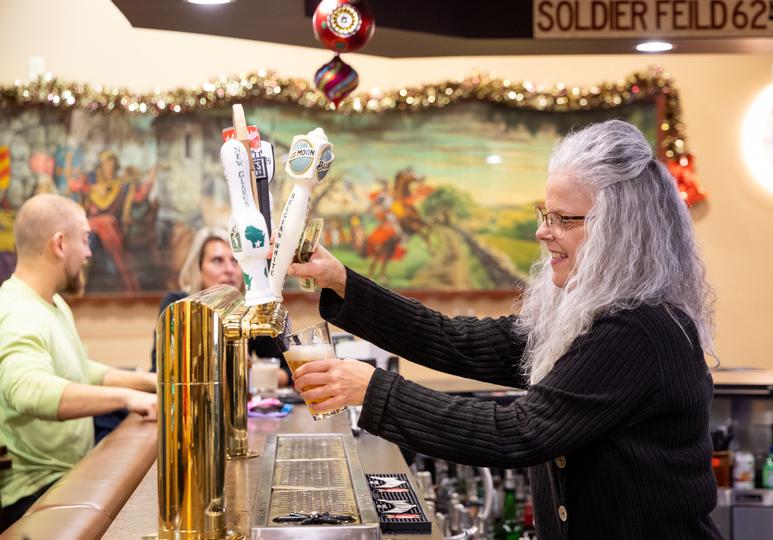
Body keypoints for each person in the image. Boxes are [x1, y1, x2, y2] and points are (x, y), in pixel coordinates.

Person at [287, 120, 722, 539]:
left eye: (563, 220)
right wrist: (340, 280)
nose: (541, 232)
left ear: (621, 229)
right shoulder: (584, 316)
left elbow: (520, 432)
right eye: (544, 214)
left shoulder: (638, 330)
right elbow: (454, 340)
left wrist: (373, 390)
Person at [0, 194, 157, 532]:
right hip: (33, 491)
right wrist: (127, 399)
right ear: (59, 244)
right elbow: (27, 390)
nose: (88, 253)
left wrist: (151, 383)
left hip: (66, 472)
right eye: (85, 240)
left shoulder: (51, 303)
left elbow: (81, 371)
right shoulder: (18, 312)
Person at [150, 227, 290, 386]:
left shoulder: (252, 309)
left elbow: (287, 371)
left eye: (235, 261)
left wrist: (250, 373)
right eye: (217, 260)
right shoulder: (178, 306)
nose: (230, 270)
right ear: (198, 268)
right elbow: (162, 372)